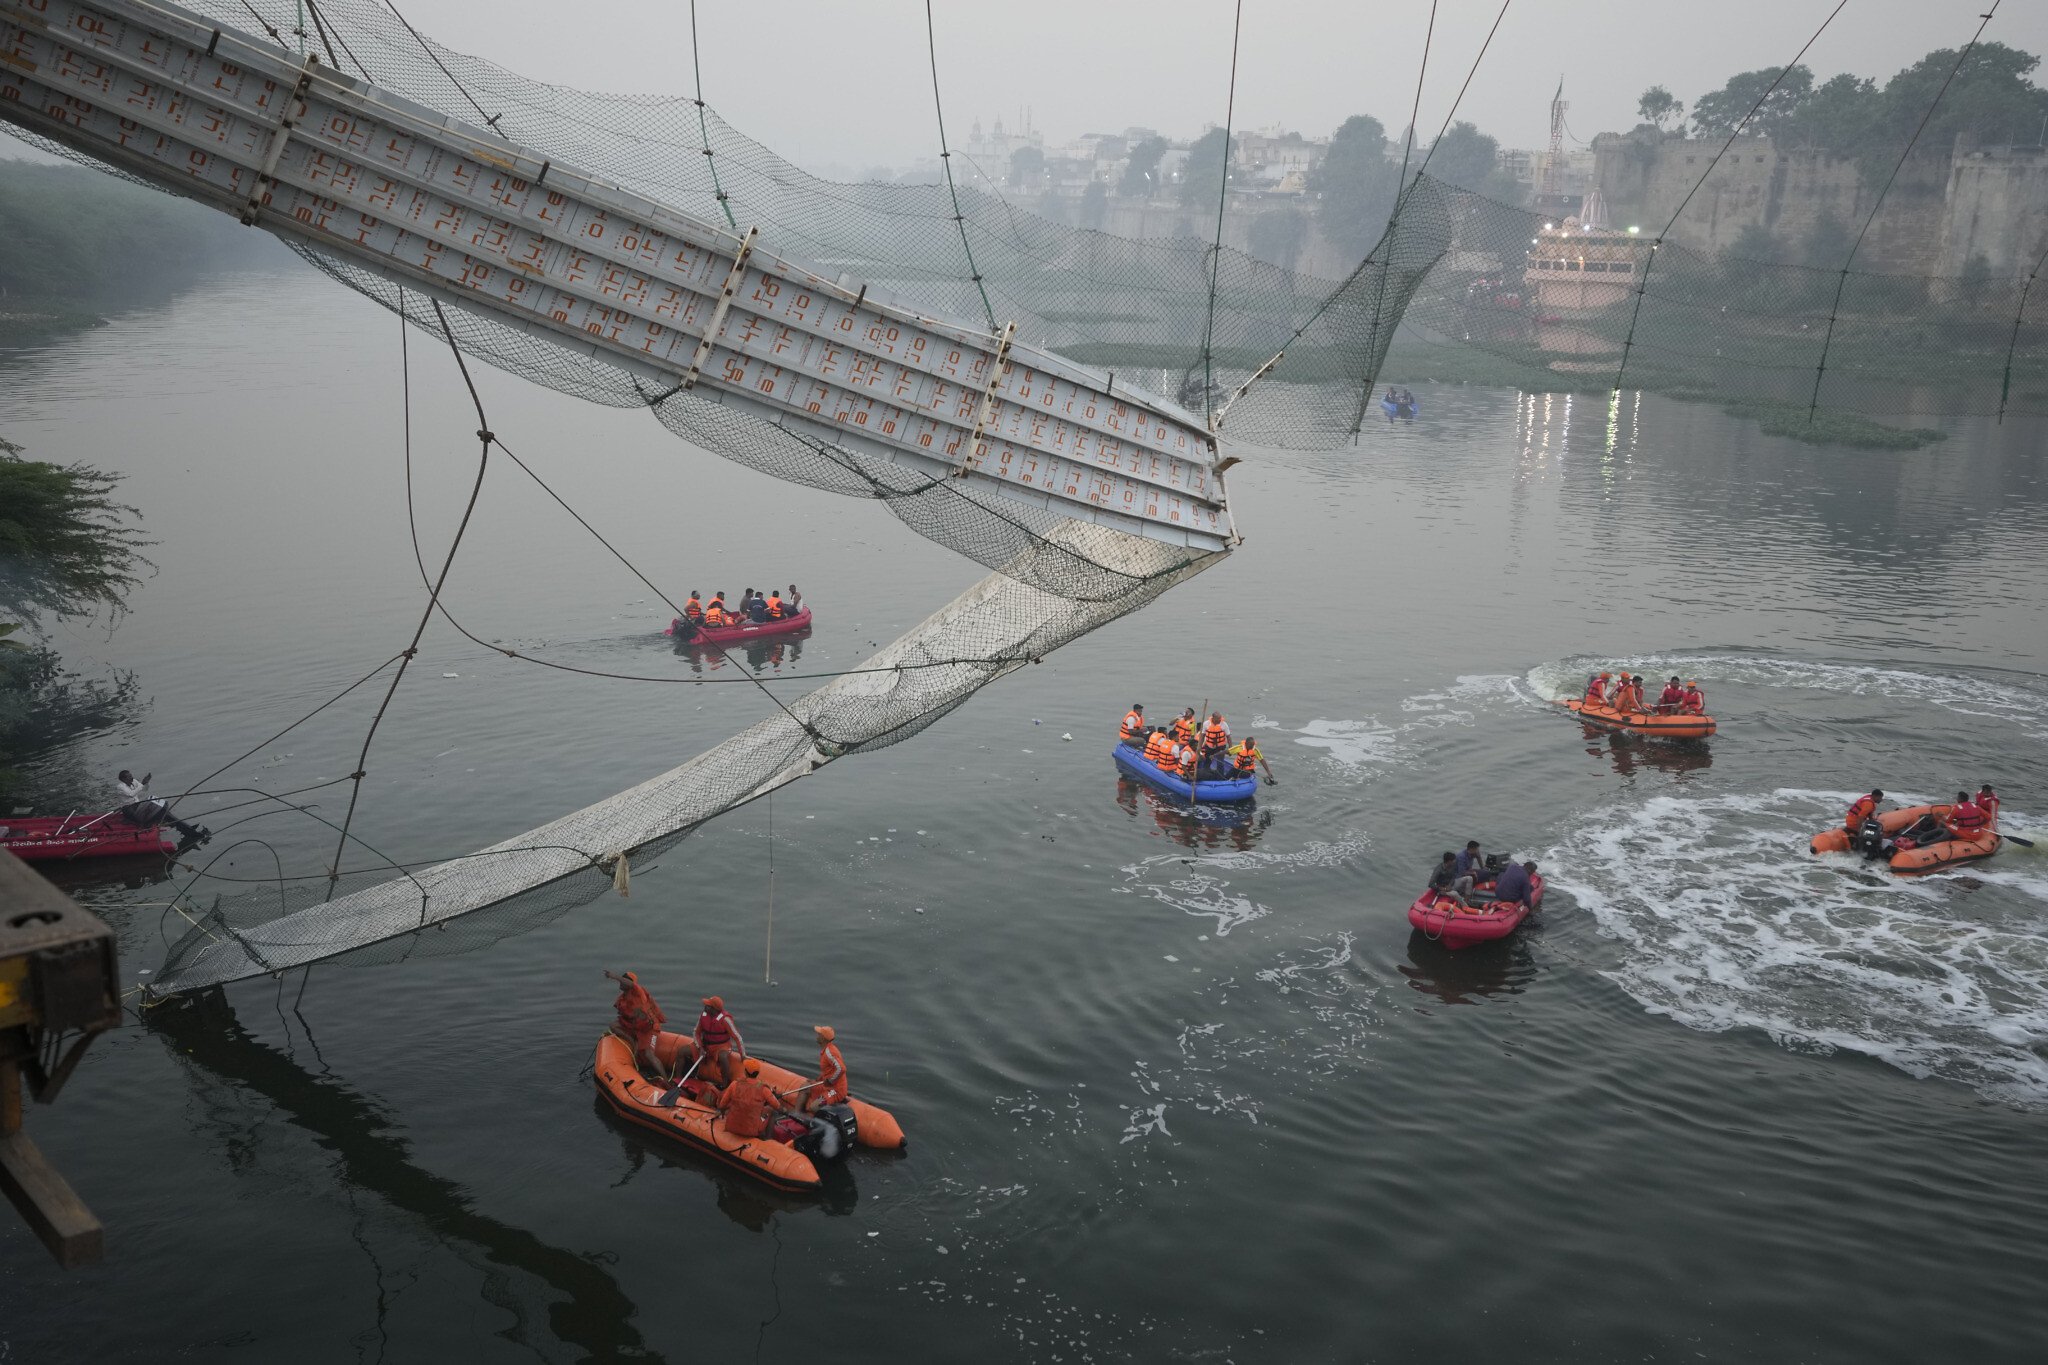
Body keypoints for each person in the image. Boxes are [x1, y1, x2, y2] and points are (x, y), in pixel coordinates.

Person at [113, 770, 206, 841]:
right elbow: (131, 794)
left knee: (163, 811)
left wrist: (146, 783)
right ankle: (186, 829)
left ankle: (186, 828)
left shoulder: (134, 782)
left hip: (138, 805)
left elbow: (144, 789)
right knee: (160, 813)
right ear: (124, 779)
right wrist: (142, 784)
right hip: (129, 809)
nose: (132, 778)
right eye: (129, 777)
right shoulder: (120, 787)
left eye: (131, 776)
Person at [605, 970, 667, 1076]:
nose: (621, 983)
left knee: (648, 1054)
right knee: (613, 1026)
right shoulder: (623, 997)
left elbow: (631, 984)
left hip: (649, 1027)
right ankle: (633, 1042)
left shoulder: (637, 991)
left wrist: (614, 976)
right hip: (635, 1026)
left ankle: (666, 1080)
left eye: (623, 981)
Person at [717, 1057, 782, 1139]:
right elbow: (777, 1106)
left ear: (745, 1072)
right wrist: (784, 1110)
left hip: (732, 1127)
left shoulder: (735, 1084)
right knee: (773, 1111)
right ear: (757, 1073)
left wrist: (722, 1112)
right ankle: (768, 1139)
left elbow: (722, 1104)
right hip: (752, 1131)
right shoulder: (764, 1089)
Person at [693, 995, 745, 1085]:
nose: (705, 1006)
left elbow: (737, 1037)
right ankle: (677, 1079)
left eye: (708, 1006)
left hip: (721, 1046)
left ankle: (725, 1083)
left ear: (714, 1009)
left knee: (723, 1057)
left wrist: (742, 1055)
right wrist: (700, 1047)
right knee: (683, 1051)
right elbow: (696, 1032)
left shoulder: (725, 1019)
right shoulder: (703, 1016)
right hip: (705, 1045)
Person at [807, 1024, 848, 1113]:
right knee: (805, 1086)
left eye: (819, 1034)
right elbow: (829, 1070)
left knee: (814, 1107)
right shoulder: (826, 1050)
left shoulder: (829, 1053)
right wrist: (819, 1078)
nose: (817, 1036)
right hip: (827, 1086)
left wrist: (830, 1081)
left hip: (835, 1090)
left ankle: (822, 1124)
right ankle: (797, 1113)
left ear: (823, 1038)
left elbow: (841, 1068)